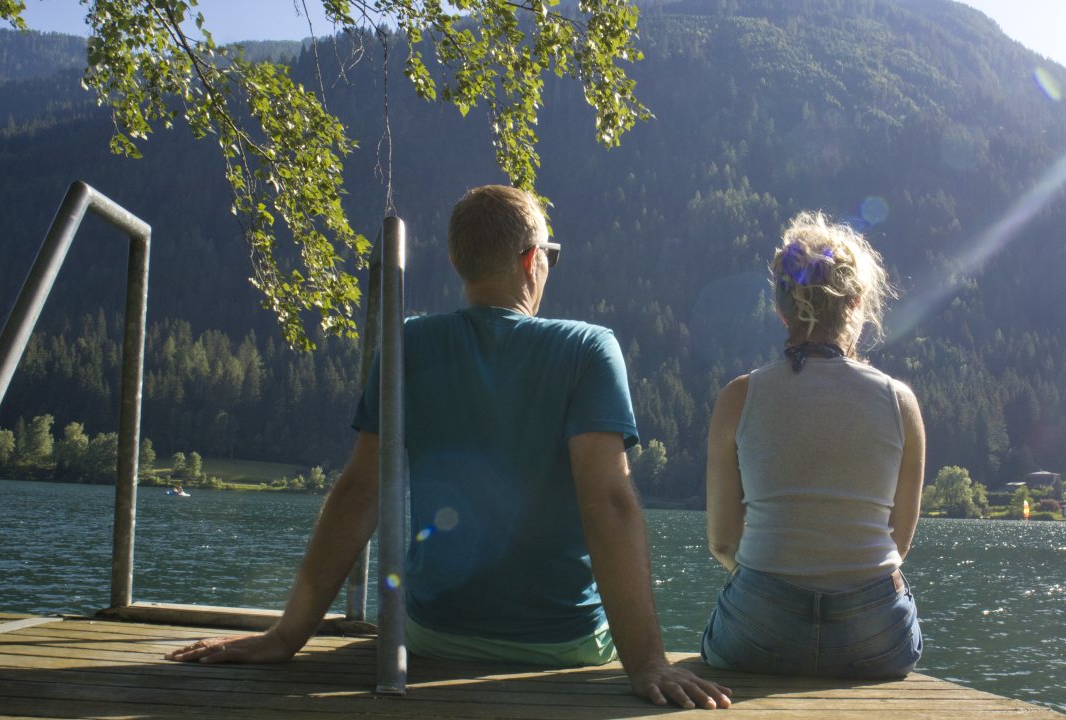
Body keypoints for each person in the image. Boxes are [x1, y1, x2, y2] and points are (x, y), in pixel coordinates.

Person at [167, 185, 731, 709]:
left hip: (432, 636)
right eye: (550, 257)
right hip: (563, 646)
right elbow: (607, 503)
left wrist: (286, 636)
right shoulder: (588, 348)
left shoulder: (408, 341)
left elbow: (359, 493)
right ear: (531, 260)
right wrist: (649, 662)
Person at [700, 211, 926, 679]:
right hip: (875, 631)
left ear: (781, 310)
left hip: (761, 625)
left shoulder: (739, 397)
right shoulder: (899, 402)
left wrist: (777, 594)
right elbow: (898, 542)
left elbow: (722, 541)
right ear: (856, 304)